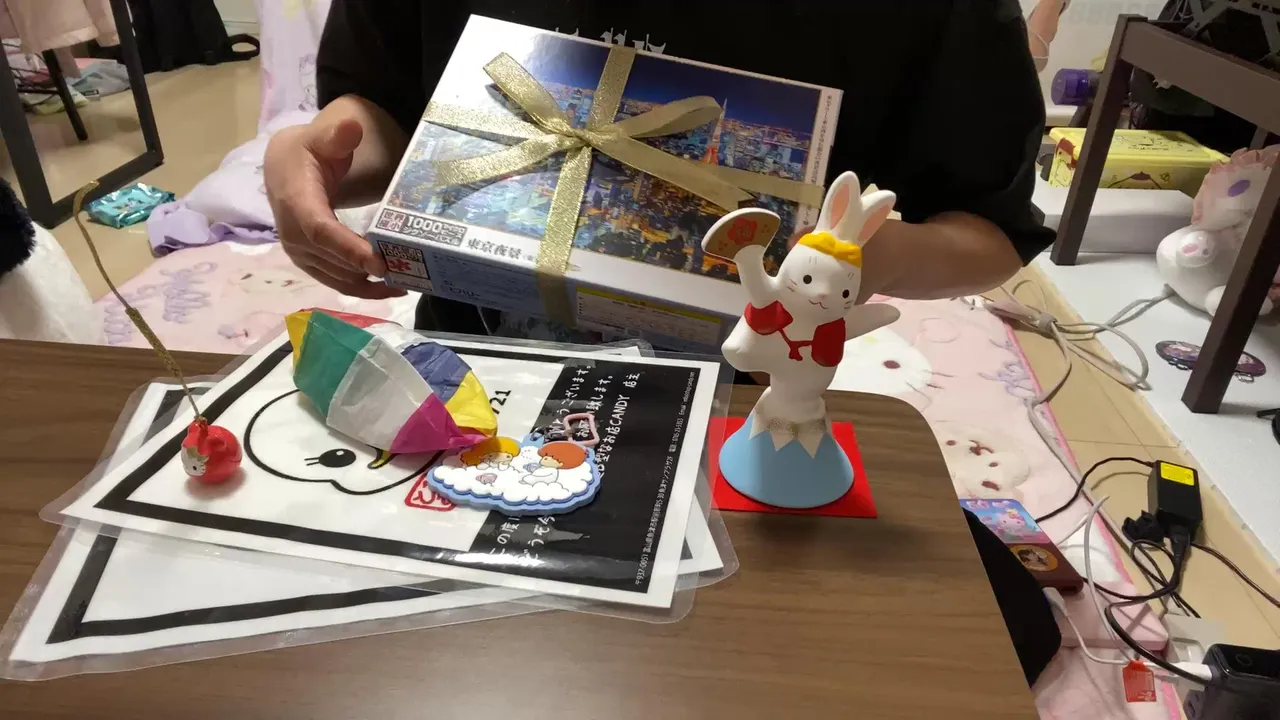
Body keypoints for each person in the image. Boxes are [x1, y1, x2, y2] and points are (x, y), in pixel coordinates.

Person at [265, 0, 1054, 320]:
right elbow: (388, 112)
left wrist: (870, 257)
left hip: (753, 384)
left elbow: (989, 232)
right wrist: (316, 156)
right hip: (467, 345)